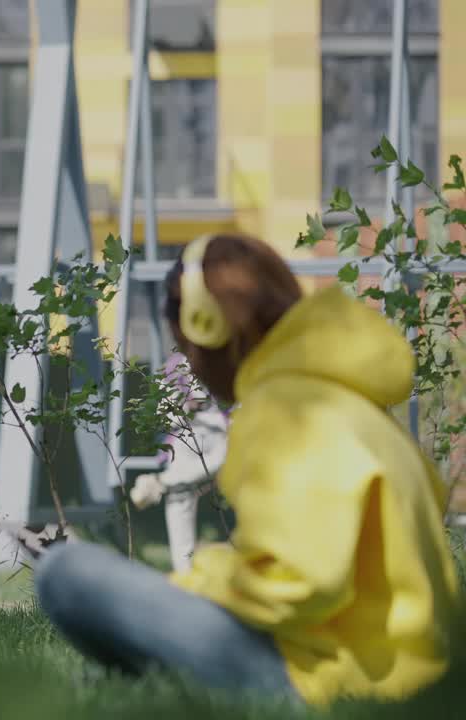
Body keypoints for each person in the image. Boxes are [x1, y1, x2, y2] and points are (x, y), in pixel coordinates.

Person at [29, 233, 461, 705]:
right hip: (410, 675)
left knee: (63, 570)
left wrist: (196, 581)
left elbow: (295, 585)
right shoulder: (355, 402)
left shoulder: (282, 410)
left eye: (185, 347)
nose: (192, 366)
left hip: (330, 683)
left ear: (207, 327)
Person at [129, 351, 229, 573]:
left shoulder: (229, 358)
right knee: (180, 496)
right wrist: (186, 407)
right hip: (187, 435)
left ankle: (160, 482)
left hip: (222, 435)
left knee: (227, 456)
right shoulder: (176, 366)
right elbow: (165, 417)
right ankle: (183, 569)